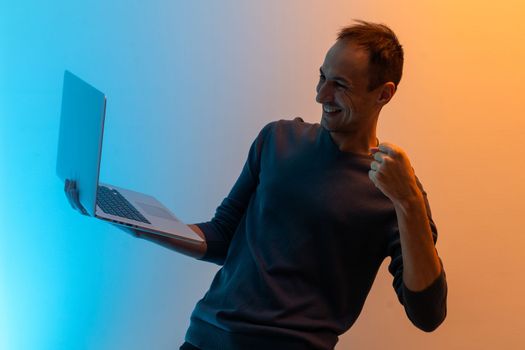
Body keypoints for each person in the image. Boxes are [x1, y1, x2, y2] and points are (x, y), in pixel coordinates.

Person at [66, 20, 447, 350]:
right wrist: (137, 225)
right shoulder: (278, 139)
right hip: (204, 338)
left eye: (341, 85)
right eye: (321, 77)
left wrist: (409, 203)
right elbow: (222, 237)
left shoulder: (395, 188)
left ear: (384, 93)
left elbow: (427, 313)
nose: (321, 95)